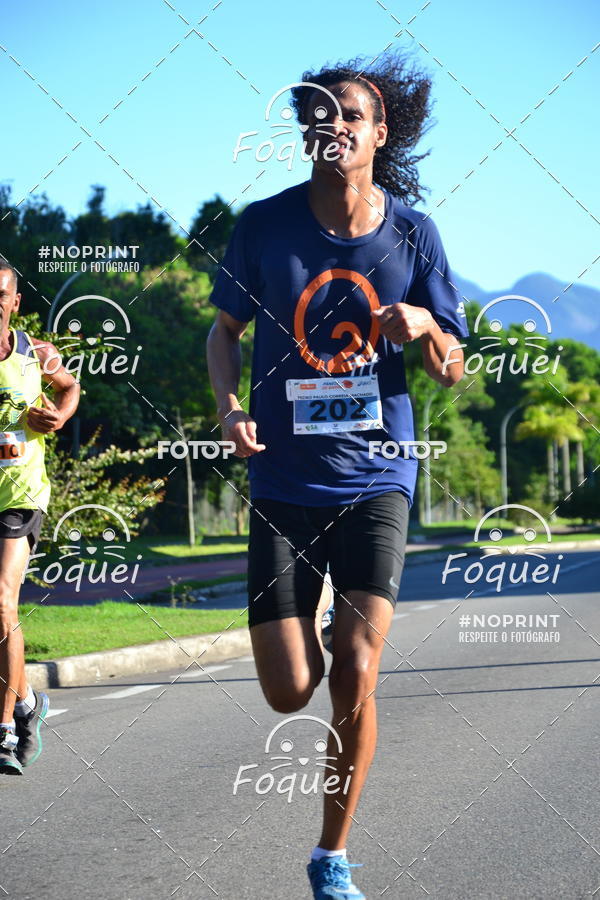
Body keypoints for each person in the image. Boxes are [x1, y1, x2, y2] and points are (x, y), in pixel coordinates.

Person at [207, 53, 467, 900]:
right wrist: (226, 404)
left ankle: (331, 858)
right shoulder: (264, 227)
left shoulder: (416, 234)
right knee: (290, 694)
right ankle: (315, 634)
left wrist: (425, 323)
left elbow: (452, 369)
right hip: (284, 485)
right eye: (320, 118)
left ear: (378, 132)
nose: (335, 129)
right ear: (305, 135)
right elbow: (224, 333)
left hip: (376, 478)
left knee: (356, 668)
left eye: (351, 116)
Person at [0, 258, 80, 775]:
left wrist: (59, 414)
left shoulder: (35, 353)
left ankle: (5, 730)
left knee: (2, 601)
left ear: (14, 302)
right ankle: (29, 703)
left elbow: (71, 388)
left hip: (20, 495)